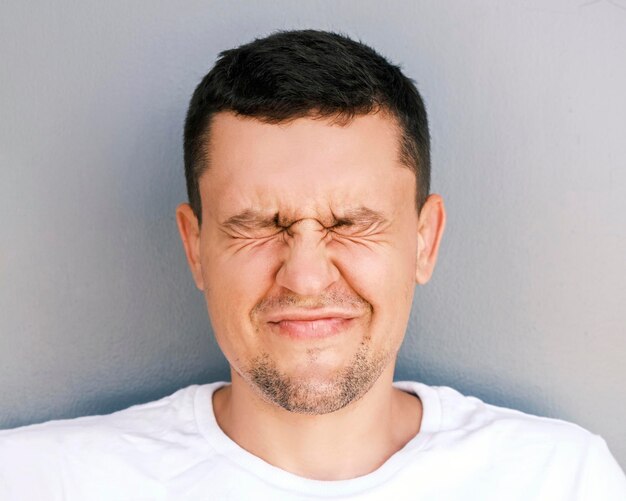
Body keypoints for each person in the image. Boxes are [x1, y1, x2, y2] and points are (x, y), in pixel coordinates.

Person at [1, 29, 624, 500]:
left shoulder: (560, 481)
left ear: (425, 240)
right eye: (256, 226)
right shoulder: (36, 482)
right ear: (196, 248)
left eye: (351, 224)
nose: (304, 277)